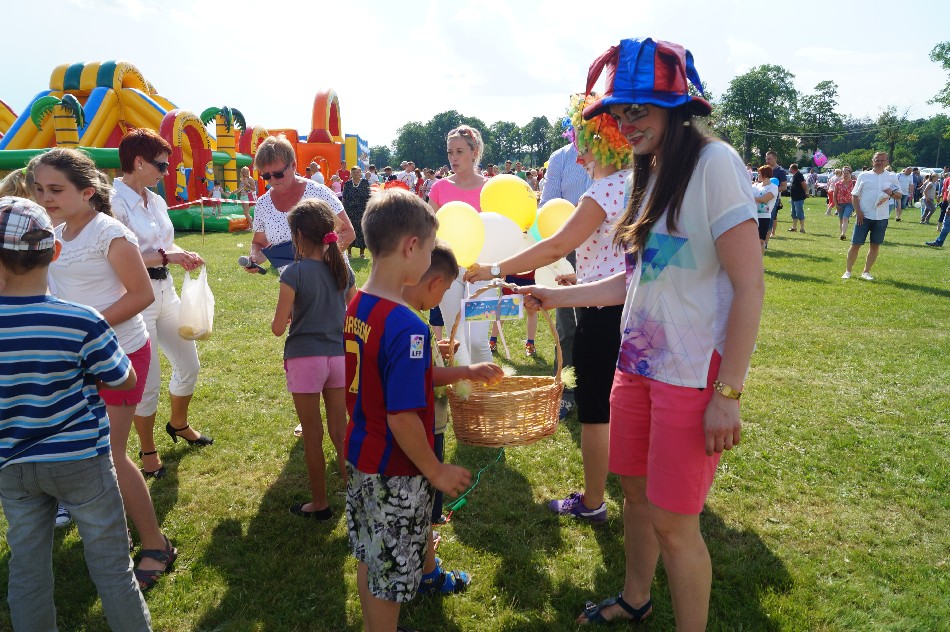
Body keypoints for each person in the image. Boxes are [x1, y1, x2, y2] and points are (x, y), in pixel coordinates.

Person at [519, 38, 763, 629]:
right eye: (618, 112)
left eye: (637, 110)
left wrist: (728, 394)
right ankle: (635, 599)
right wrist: (556, 295)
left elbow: (750, 286)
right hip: (637, 367)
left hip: (691, 375)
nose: (625, 124)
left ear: (676, 108)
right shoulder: (646, 174)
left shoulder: (714, 165)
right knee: (633, 494)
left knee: (675, 523)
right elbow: (637, 283)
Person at [467, 92, 632, 525]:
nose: (578, 156)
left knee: (596, 413)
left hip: (603, 316)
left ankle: (593, 502)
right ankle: (638, 493)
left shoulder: (603, 190)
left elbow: (556, 245)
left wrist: (495, 268)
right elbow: (625, 259)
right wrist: (583, 278)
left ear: (603, 143)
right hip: (631, 309)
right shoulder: (638, 185)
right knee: (626, 406)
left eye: (583, 145)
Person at [0, 196, 153, 630]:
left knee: (27, 569)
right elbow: (122, 379)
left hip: (12, 466)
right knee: (113, 568)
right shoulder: (81, 320)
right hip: (82, 460)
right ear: (55, 251)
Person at [33, 148, 179, 592]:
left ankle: (156, 544)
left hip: (120, 355)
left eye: (55, 189)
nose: (45, 198)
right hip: (77, 359)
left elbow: (141, 295)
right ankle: (103, 523)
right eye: (39, 189)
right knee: (84, 450)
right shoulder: (56, 233)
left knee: (111, 454)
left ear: (86, 192)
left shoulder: (110, 233)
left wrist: (82, 328)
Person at [344, 189, 472, 632]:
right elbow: (401, 416)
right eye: (431, 248)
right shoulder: (408, 327)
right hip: (395, 472)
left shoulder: (358, 303)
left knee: (370, 555)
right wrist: (435, 471)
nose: (432, 258)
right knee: (391, 575)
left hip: (361, 456)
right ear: (411, 247)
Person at [111, 128, 213, 481]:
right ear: (138, 162)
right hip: (135, 298)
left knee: (189, 364)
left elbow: (164, 246)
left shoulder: (155, 200)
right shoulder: (113, 202)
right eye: (162, 165)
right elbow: (118, 257)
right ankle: (147, 449)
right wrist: (169, 256)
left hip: (165, 290)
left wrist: (179, 255)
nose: (166, 172)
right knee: (148, 381)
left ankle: (178, 424)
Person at [401, 241, 502, 596]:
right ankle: (428, 572)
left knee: (421, 503)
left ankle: (423, 553)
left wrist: (439, 353)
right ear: (435, 283)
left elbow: (419, 365)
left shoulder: (391, 311)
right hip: (425, 427)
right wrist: (466, 371)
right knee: (424, 503)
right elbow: (421, 376)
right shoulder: (412, 325)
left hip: (414, 430)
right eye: (444, 292)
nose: (441, 300)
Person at [272, 199, 355, 521]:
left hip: (305, 358)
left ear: (297, 236)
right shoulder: (343, 269)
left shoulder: (293, 273)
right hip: (339, 358)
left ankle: (320, 502)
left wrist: (292, 314)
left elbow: (278, 328)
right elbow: (354, 314)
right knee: (340, 431)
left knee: (312, 434)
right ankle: (355, 494)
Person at [245, 134, 355, 276]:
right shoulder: (263, 204)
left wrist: (317, 262)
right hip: (292, 284)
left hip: (331, 280)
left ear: (293, 165)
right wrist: (255, 256)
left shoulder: (318, 192)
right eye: (266, 176)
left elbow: (348, 233)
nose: (272, 180)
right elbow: (259, 243)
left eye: (278, 174)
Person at [428, 124, 493, 366]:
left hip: (483, 270)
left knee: (477, 340)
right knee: (456, 339)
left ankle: (487, 387)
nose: (453, 158)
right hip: (448, 270)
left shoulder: (491, 188)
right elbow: (430, 231)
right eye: (450, 152)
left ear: (474, 152)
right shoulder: (439, 188)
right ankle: (464, 388)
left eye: (459, 152)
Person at [538, 139, 594, 419]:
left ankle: (596, 388)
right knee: (568, 325)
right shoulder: (561, 157)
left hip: (606, 249)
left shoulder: (615, 150)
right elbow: (548, 204)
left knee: (598, 324)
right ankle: (567, 391)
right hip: (569, 249)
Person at [843, 151, 901, 280]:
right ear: (872, 161)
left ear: (887, 162)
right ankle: (848, 271)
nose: (879, 162)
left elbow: (899, 195)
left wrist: (890, 192)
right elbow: (854, 195)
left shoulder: (892, 176)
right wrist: (858, 212)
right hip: (864, 216)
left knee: (875, 245)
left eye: (882, 160)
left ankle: (866, 272)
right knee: (855, 244)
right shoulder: (864, 175)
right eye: (877, 160)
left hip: (881, 217)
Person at [342, 165, 372, 258]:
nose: (356, 174)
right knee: (350, 230)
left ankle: (362, 253)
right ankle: (349, 253)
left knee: (361, 230)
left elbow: (368, 196)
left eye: (357, 172)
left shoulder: (365, 183)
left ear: (360, 173)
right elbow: (344, 197)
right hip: (350, 211)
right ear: (351, 174)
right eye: (354, 172)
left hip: (362, 211)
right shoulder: (347, 184)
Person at [752, 165, 778, 252]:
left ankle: (760, 260)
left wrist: (749, 199)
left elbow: (764, 199)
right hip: (752, 215)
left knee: (761, 241)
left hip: (763, 217)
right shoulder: (756, 185)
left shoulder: (773, 187)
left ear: (765, 174)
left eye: (759, 173)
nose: (758, 175)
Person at [765, 150, 787, 237]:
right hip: (763, 196)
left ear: (775, 158)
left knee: (771, 217)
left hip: (773, 198)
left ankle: (767, 236)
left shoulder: (780, 171)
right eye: (766, 159)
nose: (767, 161)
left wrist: (773, 191)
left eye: (769, 159)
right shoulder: (765, 169)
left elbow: (784, 186)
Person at [834, 166, 857, 240]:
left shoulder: (854, 183)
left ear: (850, 174)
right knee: (841, 220)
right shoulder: (838, 184)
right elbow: (835, 195)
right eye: (844, 173)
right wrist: (836, 205)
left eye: (847, 173)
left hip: (849, 204)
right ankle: (842, 233)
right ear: (842, 174)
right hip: (840, 204)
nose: (845, 175)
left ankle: (843, 234)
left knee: (845, 218)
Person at [788, 163, 807, 233]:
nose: (789, 169)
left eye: (790, 168)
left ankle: (802, 228)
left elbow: (804, 184)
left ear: (793, 169)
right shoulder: (794, 176)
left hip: (799, 197)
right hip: (793, 197)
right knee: (793, 213)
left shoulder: (799, 175)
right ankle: (794, 227)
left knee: (799, 212)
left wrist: (805, 192)